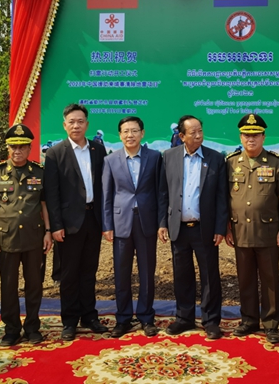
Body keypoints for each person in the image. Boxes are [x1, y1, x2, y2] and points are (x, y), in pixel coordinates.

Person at [226, 114, 279, 344]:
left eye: (255, 135)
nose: (251, 139)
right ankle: (249, 320)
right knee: (245, 279)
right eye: (246, 135)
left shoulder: (275, 162)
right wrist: (227, 227)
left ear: (263, 137)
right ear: (240, 137)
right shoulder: (231, 162)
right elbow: (225, 198)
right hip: (240, 231)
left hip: (268, 232)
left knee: (270, 279)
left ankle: (271, 323)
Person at [158, 115, 228, 340]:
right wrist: (162, 223)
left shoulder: (215, 158)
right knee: (182, 275)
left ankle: (211, 320)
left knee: (210, 275)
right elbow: (163, 193)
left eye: (200, 131)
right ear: (181, 136)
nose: (198, 136)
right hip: (178, 228)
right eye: (193, 132)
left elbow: (222, 197)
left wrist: (220, 228)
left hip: (204, 228)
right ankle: (184, 318)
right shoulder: (169, 157)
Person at [0, 124, 53, 346]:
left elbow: (44, 205)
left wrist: (48, 232)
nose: (17, 151)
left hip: (34, 238)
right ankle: (11, 329)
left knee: (34, 284)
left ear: (29, 148)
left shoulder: (39, 172)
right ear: (8, 148)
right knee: (8, 285)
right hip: (7, 239)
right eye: (13, 146)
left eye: (22, 147)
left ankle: (32, 327)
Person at [44, 104, 108, 341]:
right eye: (71, 121)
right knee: (69, 274)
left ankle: (89, 316)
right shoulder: (55, 153)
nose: (76, 126)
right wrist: (56, 225)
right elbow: (51, 193)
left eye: (80, 121)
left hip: (93, 218)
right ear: (65, 125)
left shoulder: (98, 149)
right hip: (68, 223)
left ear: (87, 124)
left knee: (89, 271)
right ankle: (69, 320)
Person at [102, 116, 162, 338]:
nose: (130, 135)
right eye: (126, 131)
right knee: (121, 273)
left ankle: (146, 317)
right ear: (120, 135)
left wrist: (161, 223)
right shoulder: (111, 160)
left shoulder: (154, 157)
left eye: (134, 131)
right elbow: (107, 195)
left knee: (147, 272)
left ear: (142, 133)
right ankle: (123, 318)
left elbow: (160, 192)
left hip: (147, 221)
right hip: (121, 223)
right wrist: (107, 225)